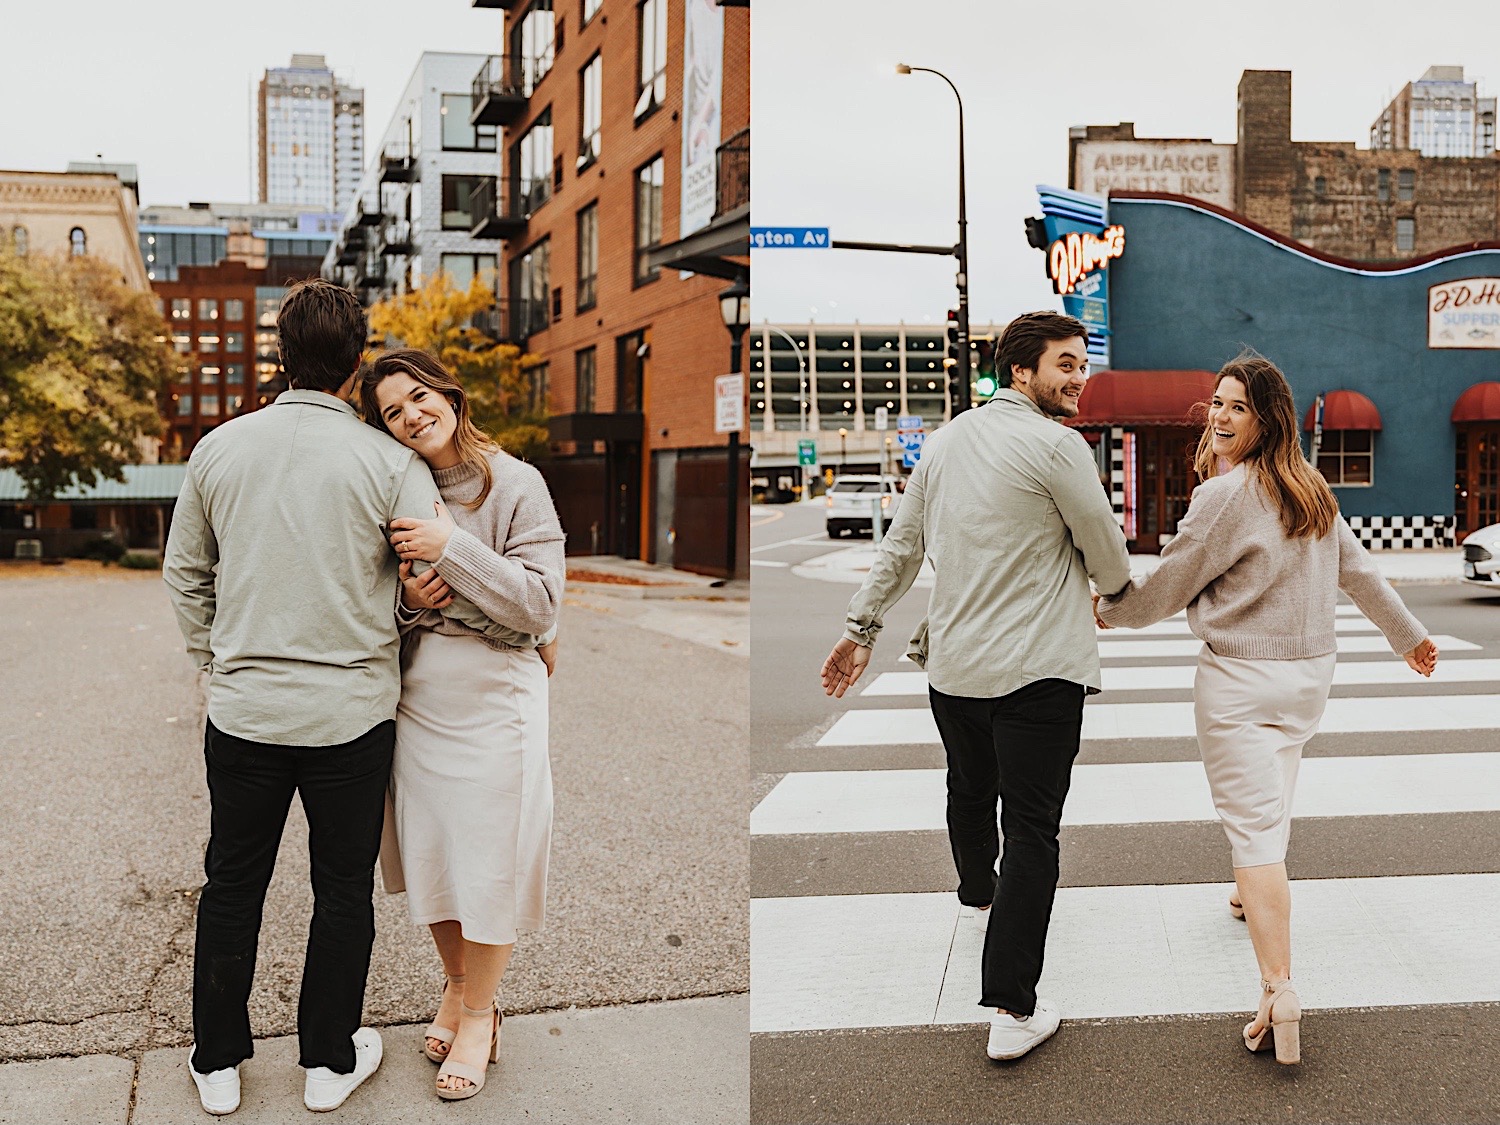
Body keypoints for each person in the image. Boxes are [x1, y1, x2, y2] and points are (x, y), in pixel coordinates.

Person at [1094, 352, 1437, 1065]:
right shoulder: (1312, 488)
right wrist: (1409, 635)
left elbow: (1168, 585)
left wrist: (1112, 611)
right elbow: (1360, 572)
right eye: (1215, 403)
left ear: (1266, 419)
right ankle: (1249, 894)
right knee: (1273, 784)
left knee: (1252, 826)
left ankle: (1278, 986)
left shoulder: (1225, 497)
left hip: (1241, 676)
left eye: (1236, 407)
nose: (1218, 416)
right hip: (1309, 675)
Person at [163, 280, 448, 1115]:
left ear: (279, 356)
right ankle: (327, 1061)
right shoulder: (389, 461)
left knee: (232, 882)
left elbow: (185, 573)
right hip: (351, 717)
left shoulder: (218, 449)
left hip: (245, 710)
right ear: (358, 365)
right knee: (340, 888)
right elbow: (427, 580)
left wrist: (212, 661)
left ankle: (217, 1062)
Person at [820, 311, 1133, 1062]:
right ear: (1020, 372)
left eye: (1080, 362)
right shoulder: (1059, 447)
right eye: (1065, 363)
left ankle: (976, 894)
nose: (1078, 375)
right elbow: (1111, 558)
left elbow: (903, 544)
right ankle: (1012, 1007)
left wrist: (861, 628)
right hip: (1036, 675)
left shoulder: (946, 440)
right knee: (1033, 831)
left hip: (955, 672)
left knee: (970, 786)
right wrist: (1111, 590)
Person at [359, 348, 565, 1102]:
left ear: (447, 392)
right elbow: (399, 608)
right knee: (434, 852)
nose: (412, 414)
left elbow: (540, 609)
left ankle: (480, 1014)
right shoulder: (399, 492)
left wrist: (454, 551)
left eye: (418, 396)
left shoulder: (516, 482)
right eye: (392, 411)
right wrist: (418, 597)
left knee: (491, 859)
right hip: (422, 699)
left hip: (497, 702)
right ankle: (455, 984)